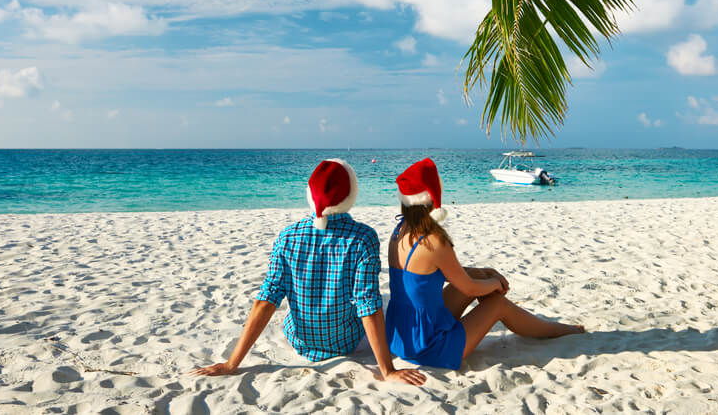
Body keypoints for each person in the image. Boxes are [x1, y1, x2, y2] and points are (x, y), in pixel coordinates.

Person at [191, 159, 425, 385]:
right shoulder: (363, 238)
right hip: (345, 343)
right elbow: (367, 304)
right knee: (380, 301)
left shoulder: (287, 236)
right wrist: (387, 370)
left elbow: (267, 299)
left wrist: (233, 363)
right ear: (351, 195)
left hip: (300, 341)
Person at [385, 158, 584, 370]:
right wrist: (495, 284)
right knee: (498, 304)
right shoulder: (434, 240)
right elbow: (468, 288)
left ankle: (527, 321)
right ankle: (555, 329)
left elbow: (426, 274)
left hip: (402, 336)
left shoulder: (400, 230)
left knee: (479, 277)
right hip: (429, 347)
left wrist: (483, 273)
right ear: (433, 197)